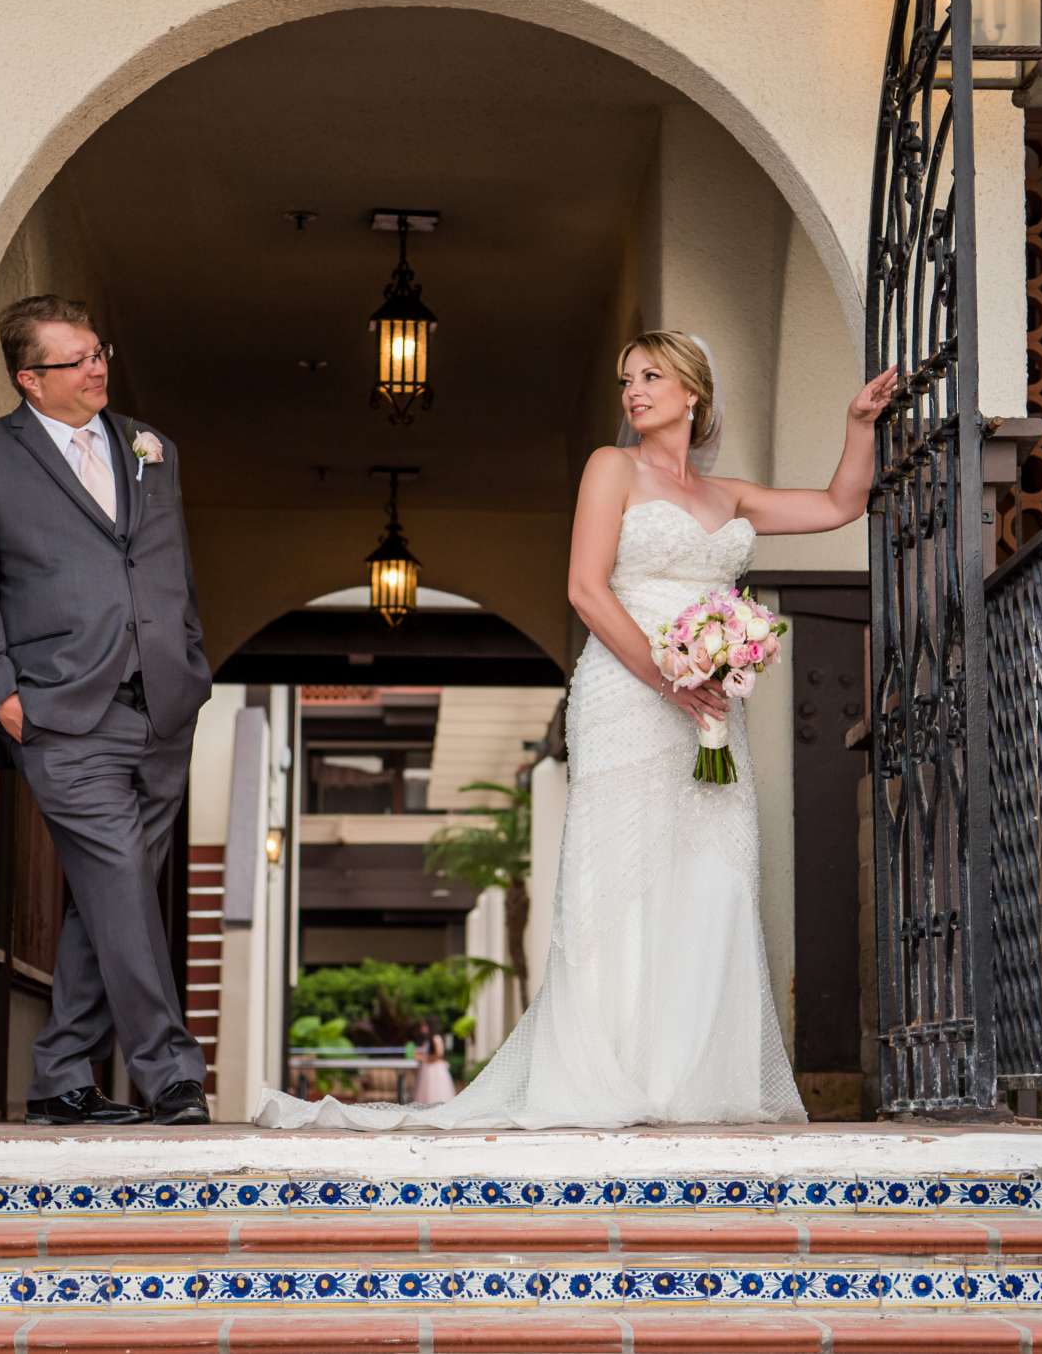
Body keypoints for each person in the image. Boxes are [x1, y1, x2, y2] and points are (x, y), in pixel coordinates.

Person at [255, 330, 898, 1129]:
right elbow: (587, 591)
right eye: (627, 379)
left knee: (712, 875)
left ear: (692, 393)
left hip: (708, 708)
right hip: (632, 695)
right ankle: (609, 1076)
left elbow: (840, 504)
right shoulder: (610, 467)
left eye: (652, 377)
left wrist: (859, 423)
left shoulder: (729, 495)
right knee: (620, 875)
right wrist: (669, 681)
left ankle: (695, 1080)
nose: (634, 391)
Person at [0, 294, 213, 1128]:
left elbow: (169, 567)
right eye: (76, 360)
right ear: (29, 378)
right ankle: (168, 1070)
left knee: (111, 891)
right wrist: (1, 696)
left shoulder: (151, 448)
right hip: (62, 711)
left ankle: (61, 1072)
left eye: (100, 351)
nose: (98, 368)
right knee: (121, 883)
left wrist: (192, 665)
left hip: (162, 706)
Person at [410, 1017, 454, 1107]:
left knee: (435, 1090)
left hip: (435, 1069)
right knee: (428, 1091)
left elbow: (439, 1054)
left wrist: (425, 1059)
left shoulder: (436, 1038)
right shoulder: (429, 1039)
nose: (422, 1028)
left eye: (424, 1025)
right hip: (429, 1069)